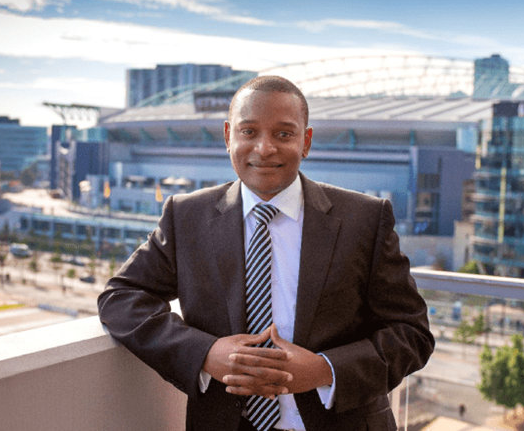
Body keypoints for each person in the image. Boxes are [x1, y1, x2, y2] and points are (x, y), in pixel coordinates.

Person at [98, 75, 435, 431]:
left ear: (306, 142)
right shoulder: (186, 216)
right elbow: (120, 298)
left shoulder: (364, 219)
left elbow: (412, 333)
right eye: (249, 132)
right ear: (228, 136)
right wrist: (205, 354)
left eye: (283, 134)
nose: (264, 148)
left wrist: (324, 370)